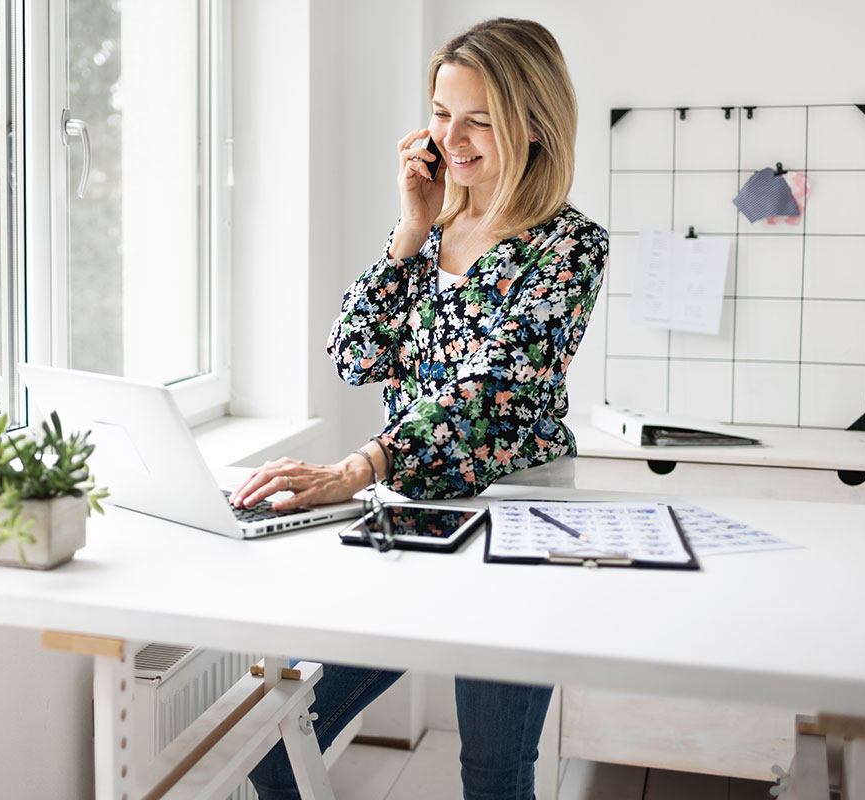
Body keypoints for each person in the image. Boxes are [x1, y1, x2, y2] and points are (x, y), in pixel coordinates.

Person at [230, 17, 607, 799]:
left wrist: (357, 466)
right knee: (276, 747)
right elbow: (353, 356)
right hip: (411, 510)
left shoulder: (570, 248)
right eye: (441, 112)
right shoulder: (428, 232)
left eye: (479, 118)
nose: (453, 136)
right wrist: (410, 227)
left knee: (494, 771)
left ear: (533, 124)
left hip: (518, 522)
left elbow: (494, 395)